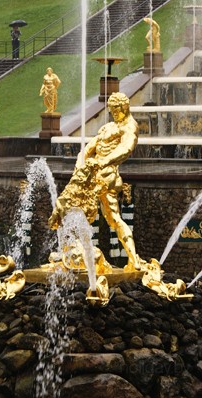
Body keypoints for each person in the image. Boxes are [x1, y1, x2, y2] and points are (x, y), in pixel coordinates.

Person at [48, 92, 141, 270]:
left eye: (116, 110)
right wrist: (80, 166)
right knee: (110, 217)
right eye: (111, 110)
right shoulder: (108, 127)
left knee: (80, 207)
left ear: (124, 107)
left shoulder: (130, 126)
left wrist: (103, 162)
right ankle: (72, 251)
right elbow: (88, 149)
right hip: (92, 172)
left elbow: (125, 148)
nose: (114, 113)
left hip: (107, 175)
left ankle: (132, 260)